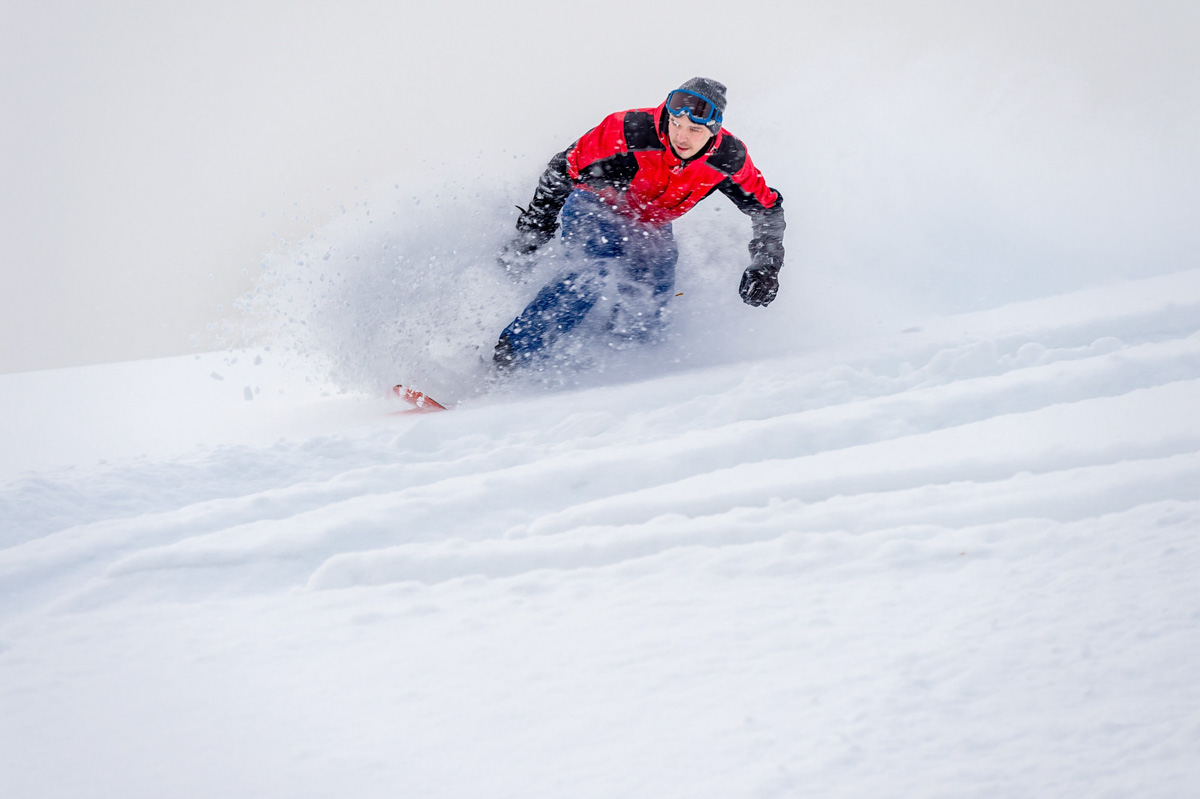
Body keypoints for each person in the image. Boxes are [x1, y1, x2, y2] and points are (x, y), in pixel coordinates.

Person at [493, 77, 786, 368]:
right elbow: (562, 168)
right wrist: (535, 230)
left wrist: (766, 265)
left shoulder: (728, 159)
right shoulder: (630, 130)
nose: (681, 137)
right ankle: (512, 358)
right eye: (676, 124)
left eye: (694, 130)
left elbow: (767, 209)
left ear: (714, 130)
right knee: (592, 273)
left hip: (650, 225)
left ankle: (625, 370)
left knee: (651, 297)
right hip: (595, 206)